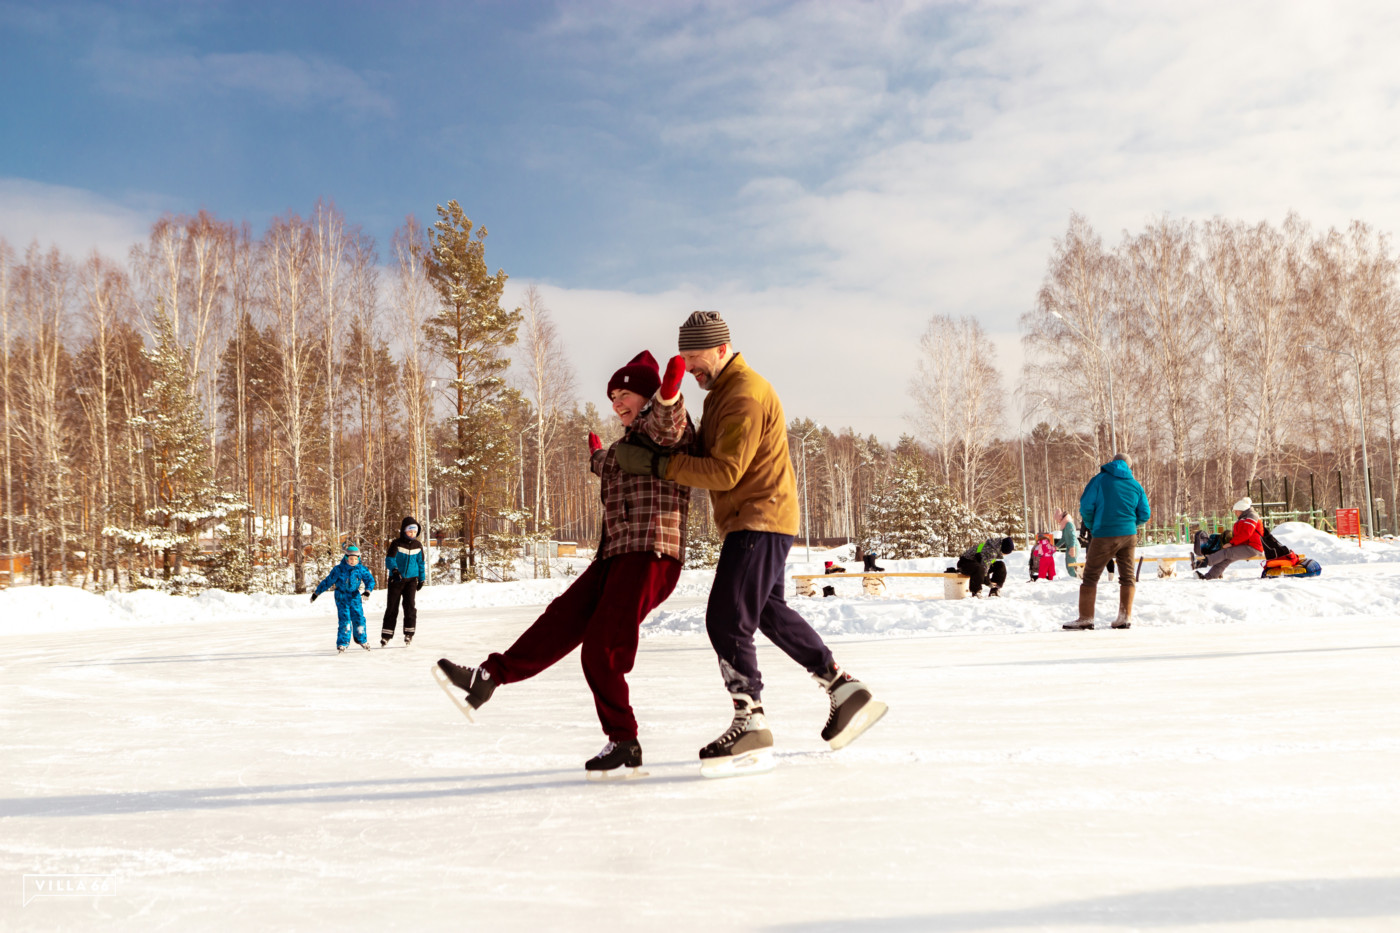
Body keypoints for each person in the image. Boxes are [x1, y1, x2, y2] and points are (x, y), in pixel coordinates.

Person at [613, 311, 886, 777]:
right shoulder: (721, 394)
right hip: (758, 516)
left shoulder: (742, 394)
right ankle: (842, 688)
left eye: (697, 358)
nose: (693, 367)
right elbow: (707, 455)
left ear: (722, 348)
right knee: (763, 611)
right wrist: (661, 450)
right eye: (686, 358)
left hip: (759, 516)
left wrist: (659, 467)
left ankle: (750, 719)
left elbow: (724, 472)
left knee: (726, 617)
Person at [434, 350, 695, 779]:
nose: (616, 403)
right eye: (612, 396)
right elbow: (608, 464)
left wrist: (667, 396)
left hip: (650, 554)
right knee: (561, 618)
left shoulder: (661, 427)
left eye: (624, 393)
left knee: (601, 650)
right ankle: (489, 677)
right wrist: (595, 456)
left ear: (645, 396)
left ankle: (624, 740)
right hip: (615, 554)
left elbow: (668, 422)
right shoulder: (627, 444)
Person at [1064, 453, 1150, 631]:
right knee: (1127, 576)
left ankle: (1086, 618)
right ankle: (1124, 617)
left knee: (1091, 575)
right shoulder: (1135, 485)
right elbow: (1144, 514)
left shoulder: (1099, 480)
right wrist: (1130, 525)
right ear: (1129, 466)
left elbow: (1086, 506)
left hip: (1104, 533)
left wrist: (1092, 525)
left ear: (1113, 462)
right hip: (1128, 535)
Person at [311, 544, 376, 653]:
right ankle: (343, 643)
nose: (353, 561)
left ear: (358, 559)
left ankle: (361, 639)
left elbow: (370, 580)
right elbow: (328, 581)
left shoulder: (361, 569)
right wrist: (317, 593)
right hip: (341, 596)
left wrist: (367, 591)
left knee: (359, 617)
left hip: (355, 596)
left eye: (355, 559)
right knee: (345, 619)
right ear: (346, 558)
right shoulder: (339, 569)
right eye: (351, 559)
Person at [382, 516, 426, 646]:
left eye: (414, 532)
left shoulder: (418, 546)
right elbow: (390, 559)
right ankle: (386, 635)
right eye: (409, 531)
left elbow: (421, 563)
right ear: (404, 531)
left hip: (411, 581)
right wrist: (394, 570)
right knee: (392, 607)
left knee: (410, 607)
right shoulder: (396, 543)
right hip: (396, 580)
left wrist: (422, 578)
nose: (412, 534)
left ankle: (409, 633)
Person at [1197, 497, 1264, 580]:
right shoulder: (1245, 517)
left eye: (1236, 511)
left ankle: (1204, 562)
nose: (1235, 513)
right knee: (1226, 559)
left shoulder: (1252, 516)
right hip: (1246, 545)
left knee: (1227, 553)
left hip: (1253, 547)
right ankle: (1208, 577)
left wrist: (1232, 543)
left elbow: (1246, 533)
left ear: (1241, 509)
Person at [1055, 508, 1080, 579]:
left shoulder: (1069, 524)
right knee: (1069, 564)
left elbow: (1073, 536)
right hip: (1070, 546)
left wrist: (1072, 548)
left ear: (1060, 518)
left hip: (1073, 546)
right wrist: (1057, 546)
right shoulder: (1064, 526)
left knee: (1071, 565)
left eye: (1057, 520)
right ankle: (1075, 577)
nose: (1057, 522)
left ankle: (1076, 578)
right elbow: (1063, 538)